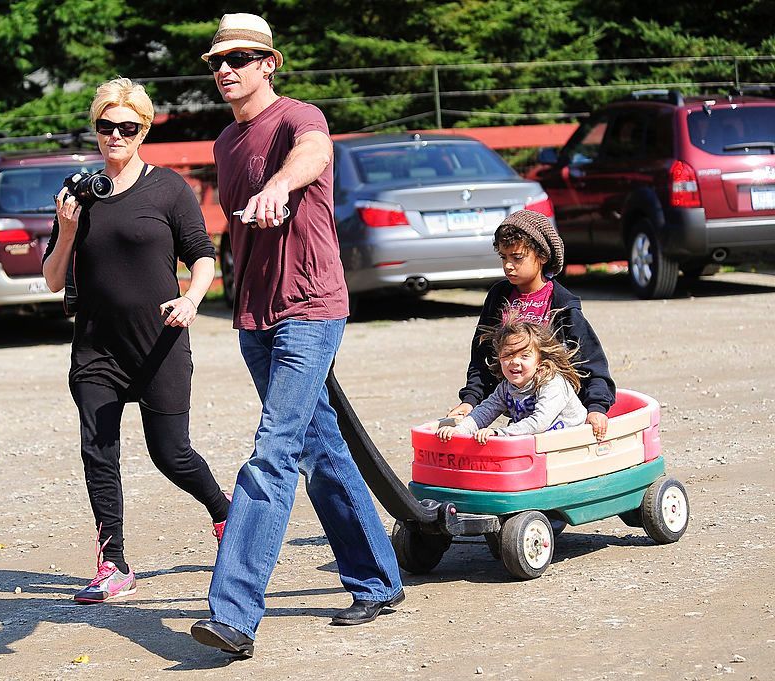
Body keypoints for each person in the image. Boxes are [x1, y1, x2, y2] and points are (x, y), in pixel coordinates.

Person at [189, 13, 403, 659]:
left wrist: (281, 182)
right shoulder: (226, 143)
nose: (226, 68)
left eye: (241, 57)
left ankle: (233, 613)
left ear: (269, 63)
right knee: (318, 446)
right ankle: (377, 577)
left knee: (273, 449)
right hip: (254, 315)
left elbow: (313, 155)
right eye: (217, 60)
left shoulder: (297, 117)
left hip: (311, 307)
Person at [42, 77, 230, 604]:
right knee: (97, 451)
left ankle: (225, 512)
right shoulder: (78, 197)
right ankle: (113, 562)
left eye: (127, 127)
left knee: (170, 454)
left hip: (159, 343)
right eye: (107, 126)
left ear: (143, 130)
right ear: (96, 129)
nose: (116, 136)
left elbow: (202, 253)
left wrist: (192, 299)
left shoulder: (168, 189)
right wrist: (68, 228)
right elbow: (55, 279)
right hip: (96, 348)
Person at [446, 209, 615, 441]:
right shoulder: (499, 297)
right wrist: (470, 400)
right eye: (504, 258)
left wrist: (596, 407)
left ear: (542, 256)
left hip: (556, 416)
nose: (508, 266)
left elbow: (591, 361)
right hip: (517, 403)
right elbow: (481, 356)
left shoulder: (563, 304)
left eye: (517, 258)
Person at [437, 315, 588, 444]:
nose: (515, 361)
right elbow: (484, 411)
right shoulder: (506, 387)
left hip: (571, 443)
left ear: (540, 361)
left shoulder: (551, 383)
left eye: (525, 356)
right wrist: (460, 430)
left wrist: (499, 433)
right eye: (508, 355)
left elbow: (539, 422)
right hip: (538, 443)